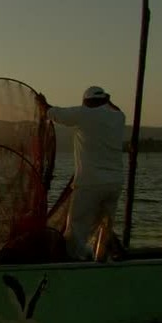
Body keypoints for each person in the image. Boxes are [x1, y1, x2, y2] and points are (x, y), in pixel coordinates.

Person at [37, 86, 125, 262]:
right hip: (114, 183)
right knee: (105, 225)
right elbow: (118, 109)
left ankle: (73, 260)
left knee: (77, 226)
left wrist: (42, 103)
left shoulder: (83, 114)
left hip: (90, 183)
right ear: (104, 100)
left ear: (86, 101)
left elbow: (53, 113)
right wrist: (108, 100)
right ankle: (100, 259)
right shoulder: (118, 117)